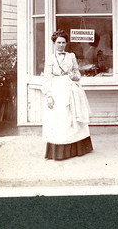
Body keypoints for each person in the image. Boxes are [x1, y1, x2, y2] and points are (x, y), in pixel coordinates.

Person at [42, 30, 93, 160]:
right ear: (54, 43)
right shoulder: (50, 58)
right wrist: (49, 95)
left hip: (72, 89)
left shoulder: (71, 56)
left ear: (66, 43)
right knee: (61, 118)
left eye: (63, 42)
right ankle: (60, 151)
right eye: (58, 42)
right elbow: (47, 78)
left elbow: (77, 73)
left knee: (74, 117)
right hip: (57, 88)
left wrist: (74, 76)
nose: (61, 45)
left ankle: (78, 149)